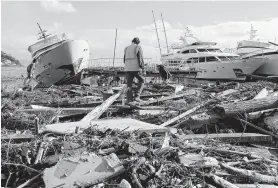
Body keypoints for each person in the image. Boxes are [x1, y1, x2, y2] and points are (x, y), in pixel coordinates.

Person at [124, 37, 146, 103]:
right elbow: (140, 59)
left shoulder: (126, 48)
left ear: (132, 41)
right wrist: (143, 68)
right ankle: (137, 96)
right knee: (142, 80)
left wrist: (128, 66)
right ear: (138, 42)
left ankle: (129, 99)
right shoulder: (138, 47)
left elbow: (124, 59)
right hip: (136, 69)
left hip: (127, 68)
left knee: (129, 85)